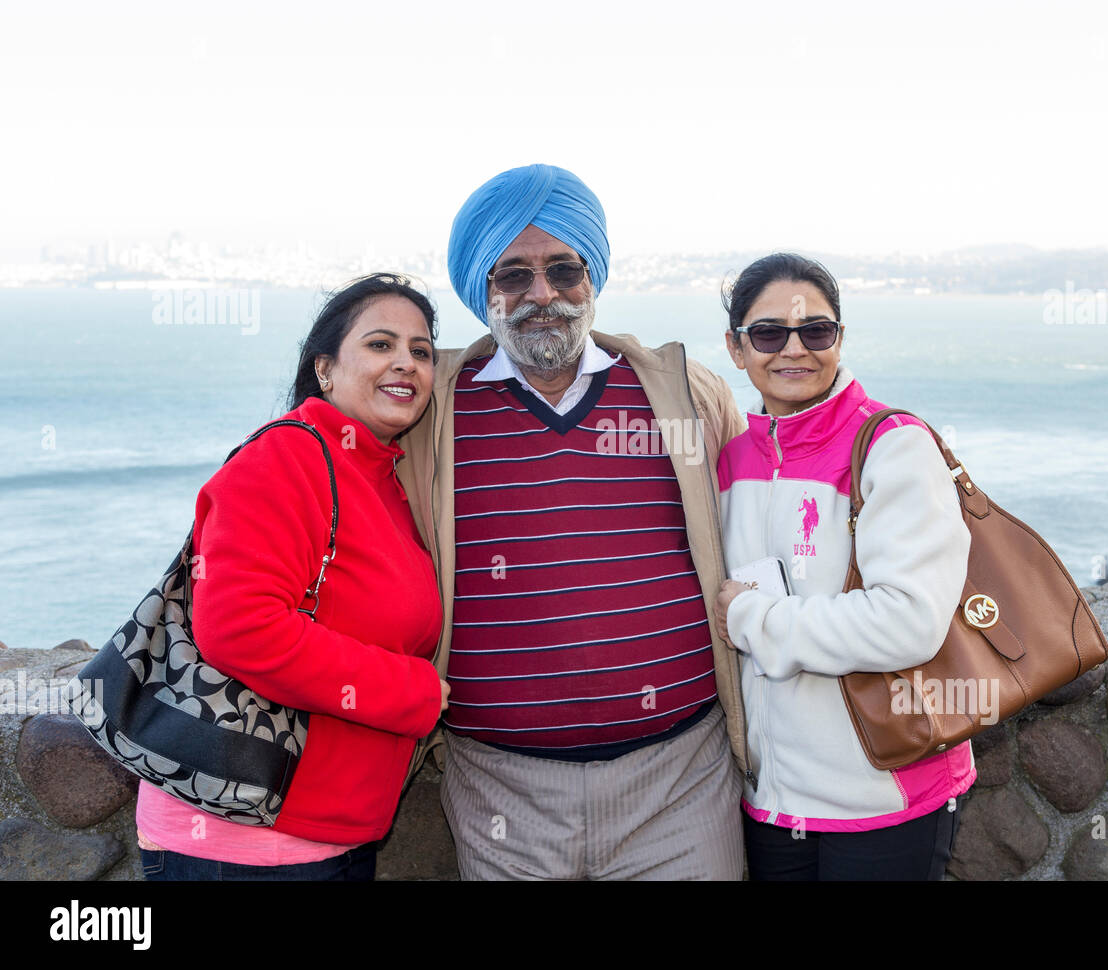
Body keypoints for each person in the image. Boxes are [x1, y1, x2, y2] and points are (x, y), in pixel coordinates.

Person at [395, 163, 750, 880]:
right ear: (482, 290)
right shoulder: (430, 412)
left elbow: (759, 522)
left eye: (564, 269)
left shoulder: (684, 395)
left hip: (681, 781)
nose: (542, 295)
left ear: (593, 277)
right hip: (501, 788)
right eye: (513, 276)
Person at [135, 273, 450, 881]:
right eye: (381, 345)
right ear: (325, 369)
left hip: (330, 836)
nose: (405, 363)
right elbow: (241, 629)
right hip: (241, 844)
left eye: (421, 351)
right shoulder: (288, 459)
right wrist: (412, 692)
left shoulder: (382, 479)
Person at [714, 253, 975, 880]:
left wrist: (754, 619)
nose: (794, 350)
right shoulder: (730, 461)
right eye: (769, 333)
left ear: (839, 338)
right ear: (736, 347)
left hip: (886, 793)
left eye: (817, 331)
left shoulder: (894, 446)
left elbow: (907, 622)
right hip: (773, 803)